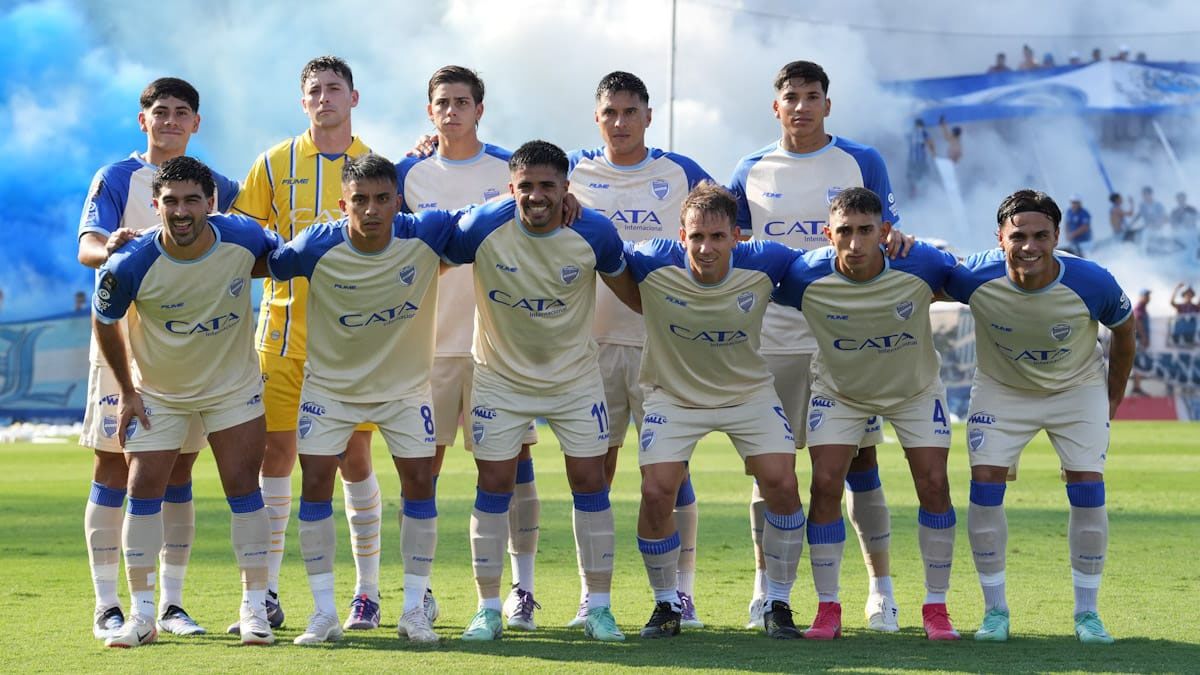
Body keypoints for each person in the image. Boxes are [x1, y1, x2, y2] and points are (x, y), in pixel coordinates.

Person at [728, 60, 905, 632]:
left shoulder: (862, 161)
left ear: (828, 104)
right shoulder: (750, 170)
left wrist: (901, 237)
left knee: (861, 462)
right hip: (775, 338)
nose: (801, 106)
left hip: (848, 338)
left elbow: (891, 231)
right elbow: (728, 248)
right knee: (770, 470)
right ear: (774, 106)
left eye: (812, 96)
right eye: (791, 97)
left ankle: (881, 591)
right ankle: (767, 591)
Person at [442, 140, 640, 642]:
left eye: (547, 185)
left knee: (590, 484)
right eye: (525, 186)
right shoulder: (480, 227)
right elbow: (427, 257)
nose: (536, 195)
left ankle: (598, 607)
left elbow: (634, 295)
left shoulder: (593, 232)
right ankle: (488, 609)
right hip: (499, 379)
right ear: (511, 188)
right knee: (492, 488)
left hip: (574, 380)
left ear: (565, 188)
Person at [267, 154, 461, 644]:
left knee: (419, 482)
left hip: (404, 390)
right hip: (331, 390)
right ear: (342, 204)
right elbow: (265, 259)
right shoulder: (316, 244)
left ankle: (415, 609)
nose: (371, 210)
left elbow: (489, 220)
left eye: (381, 199)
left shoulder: (427, 232)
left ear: (398, 201)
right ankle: (324, 613)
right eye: (360, 200)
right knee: (314, 483)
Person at [92, 156, 280, 647]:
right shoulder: (130, 262)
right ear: (155, 205)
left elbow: (275, 259)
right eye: (170, 201)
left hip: (232, 389)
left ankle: (254, 609)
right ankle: (142, 615)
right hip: (160, 395)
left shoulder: (243, 236)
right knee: (143, 489)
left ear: (210, 203)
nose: (181, 211)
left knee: (244, 489)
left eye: (192, 200)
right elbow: (103, 318)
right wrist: (129, 392)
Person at [76, 77, 240, 640]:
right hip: (124, 342)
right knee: (113, 465)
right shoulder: (117, 177)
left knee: (177, 470)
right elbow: (87, 246)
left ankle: (169, 605)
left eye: (181, 113)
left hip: (191, 352)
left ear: (196, 123)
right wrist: (112, 246)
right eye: (159, 111)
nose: (169, 120)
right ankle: (107, 604)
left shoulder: (213, 184)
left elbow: (251, 231)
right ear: (141, 120)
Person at [943, 189, 1136, 645]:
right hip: (1002, 390)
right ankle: (995, 614)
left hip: (1077, 390)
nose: (1029, 246)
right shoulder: (974, 275)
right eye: (1018, 236)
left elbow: (1125, 333)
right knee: (985, 485)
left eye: (1040, 235)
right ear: (1000, 238)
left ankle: (1087, 616)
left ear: (1056, 236)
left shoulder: (1092, 281)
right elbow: (920, 283)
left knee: (1088, 488)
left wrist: (1111, 400)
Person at [230, 55, 382, 633]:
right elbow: (243, 234)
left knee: (353, 458)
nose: (325, 98)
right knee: (276, 456)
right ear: (303, 102)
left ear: (353, 97)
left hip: (351, 342)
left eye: (334, 89)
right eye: (315, 90)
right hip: (281, 335)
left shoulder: (373, 164)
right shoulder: (274, 161)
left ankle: (366, 592)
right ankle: (265, 591)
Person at [774, 187, 963, 641]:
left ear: (886, 232)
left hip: (913, 390)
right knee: (823, 485)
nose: (855, 243)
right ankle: (828, 608)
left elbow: (972, 283)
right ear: (827, 234)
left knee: (934, 484)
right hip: (841, 392)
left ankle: (936, 609)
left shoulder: (922, 264)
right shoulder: (803, 275)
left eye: (866, 231)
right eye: (845, 232)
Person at [565, 70, 713, 630]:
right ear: (597, 117)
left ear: (648, 116)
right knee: (595, 470)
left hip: (662, 349)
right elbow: (513, 175)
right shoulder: (573, 173)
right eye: (611, 112)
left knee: (670, 475)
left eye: (631, 112)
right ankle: (591, 596)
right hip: (591, 347)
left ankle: (683, 592)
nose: (621, 122)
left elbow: (730, 231)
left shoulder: (682, 174)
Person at [625, 182, 805, 639]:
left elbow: (829, 262)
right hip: (674, 395)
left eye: (717, 237)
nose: (705, 248)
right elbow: (599, 247)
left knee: (782, 482)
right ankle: (666, 603)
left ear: (737, 237)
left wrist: (894, 244)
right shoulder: (650, 258)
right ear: (680, 235)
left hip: (747, 393)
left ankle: (777, 601)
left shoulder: (769, 260)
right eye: (696, 237)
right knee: (656, 490)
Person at [395, 65, 535, 632]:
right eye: (442, 103)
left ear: (481, 108)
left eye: (462, 102)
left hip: (498, 347)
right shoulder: (408, 173)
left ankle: (522, 590)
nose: (452, 111)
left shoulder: (511, 170)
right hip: (429, 345)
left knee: (513, 465)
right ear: (430, 112)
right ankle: (420, 591)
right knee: (421, 469)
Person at [905, 118, 935, 197]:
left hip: (912, 160)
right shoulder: (924, 132)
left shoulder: (910, 133)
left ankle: (913, 193)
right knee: (924, 176)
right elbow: (930, 143)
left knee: (912, 177)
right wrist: (934, 154)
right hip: (921, 160)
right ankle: (924, 193)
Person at [1131, 289, 1151, 395]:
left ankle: (1137, 387)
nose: (1148, 297)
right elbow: (1137, 320)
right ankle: (1137, 388)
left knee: (1138, 363)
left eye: (1148, 295)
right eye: (1146, 295)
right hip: (1138, 340)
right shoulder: (1139, 307)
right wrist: (1143, 337)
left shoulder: (1143, 308)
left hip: (1139, 340)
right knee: (1138, 363)